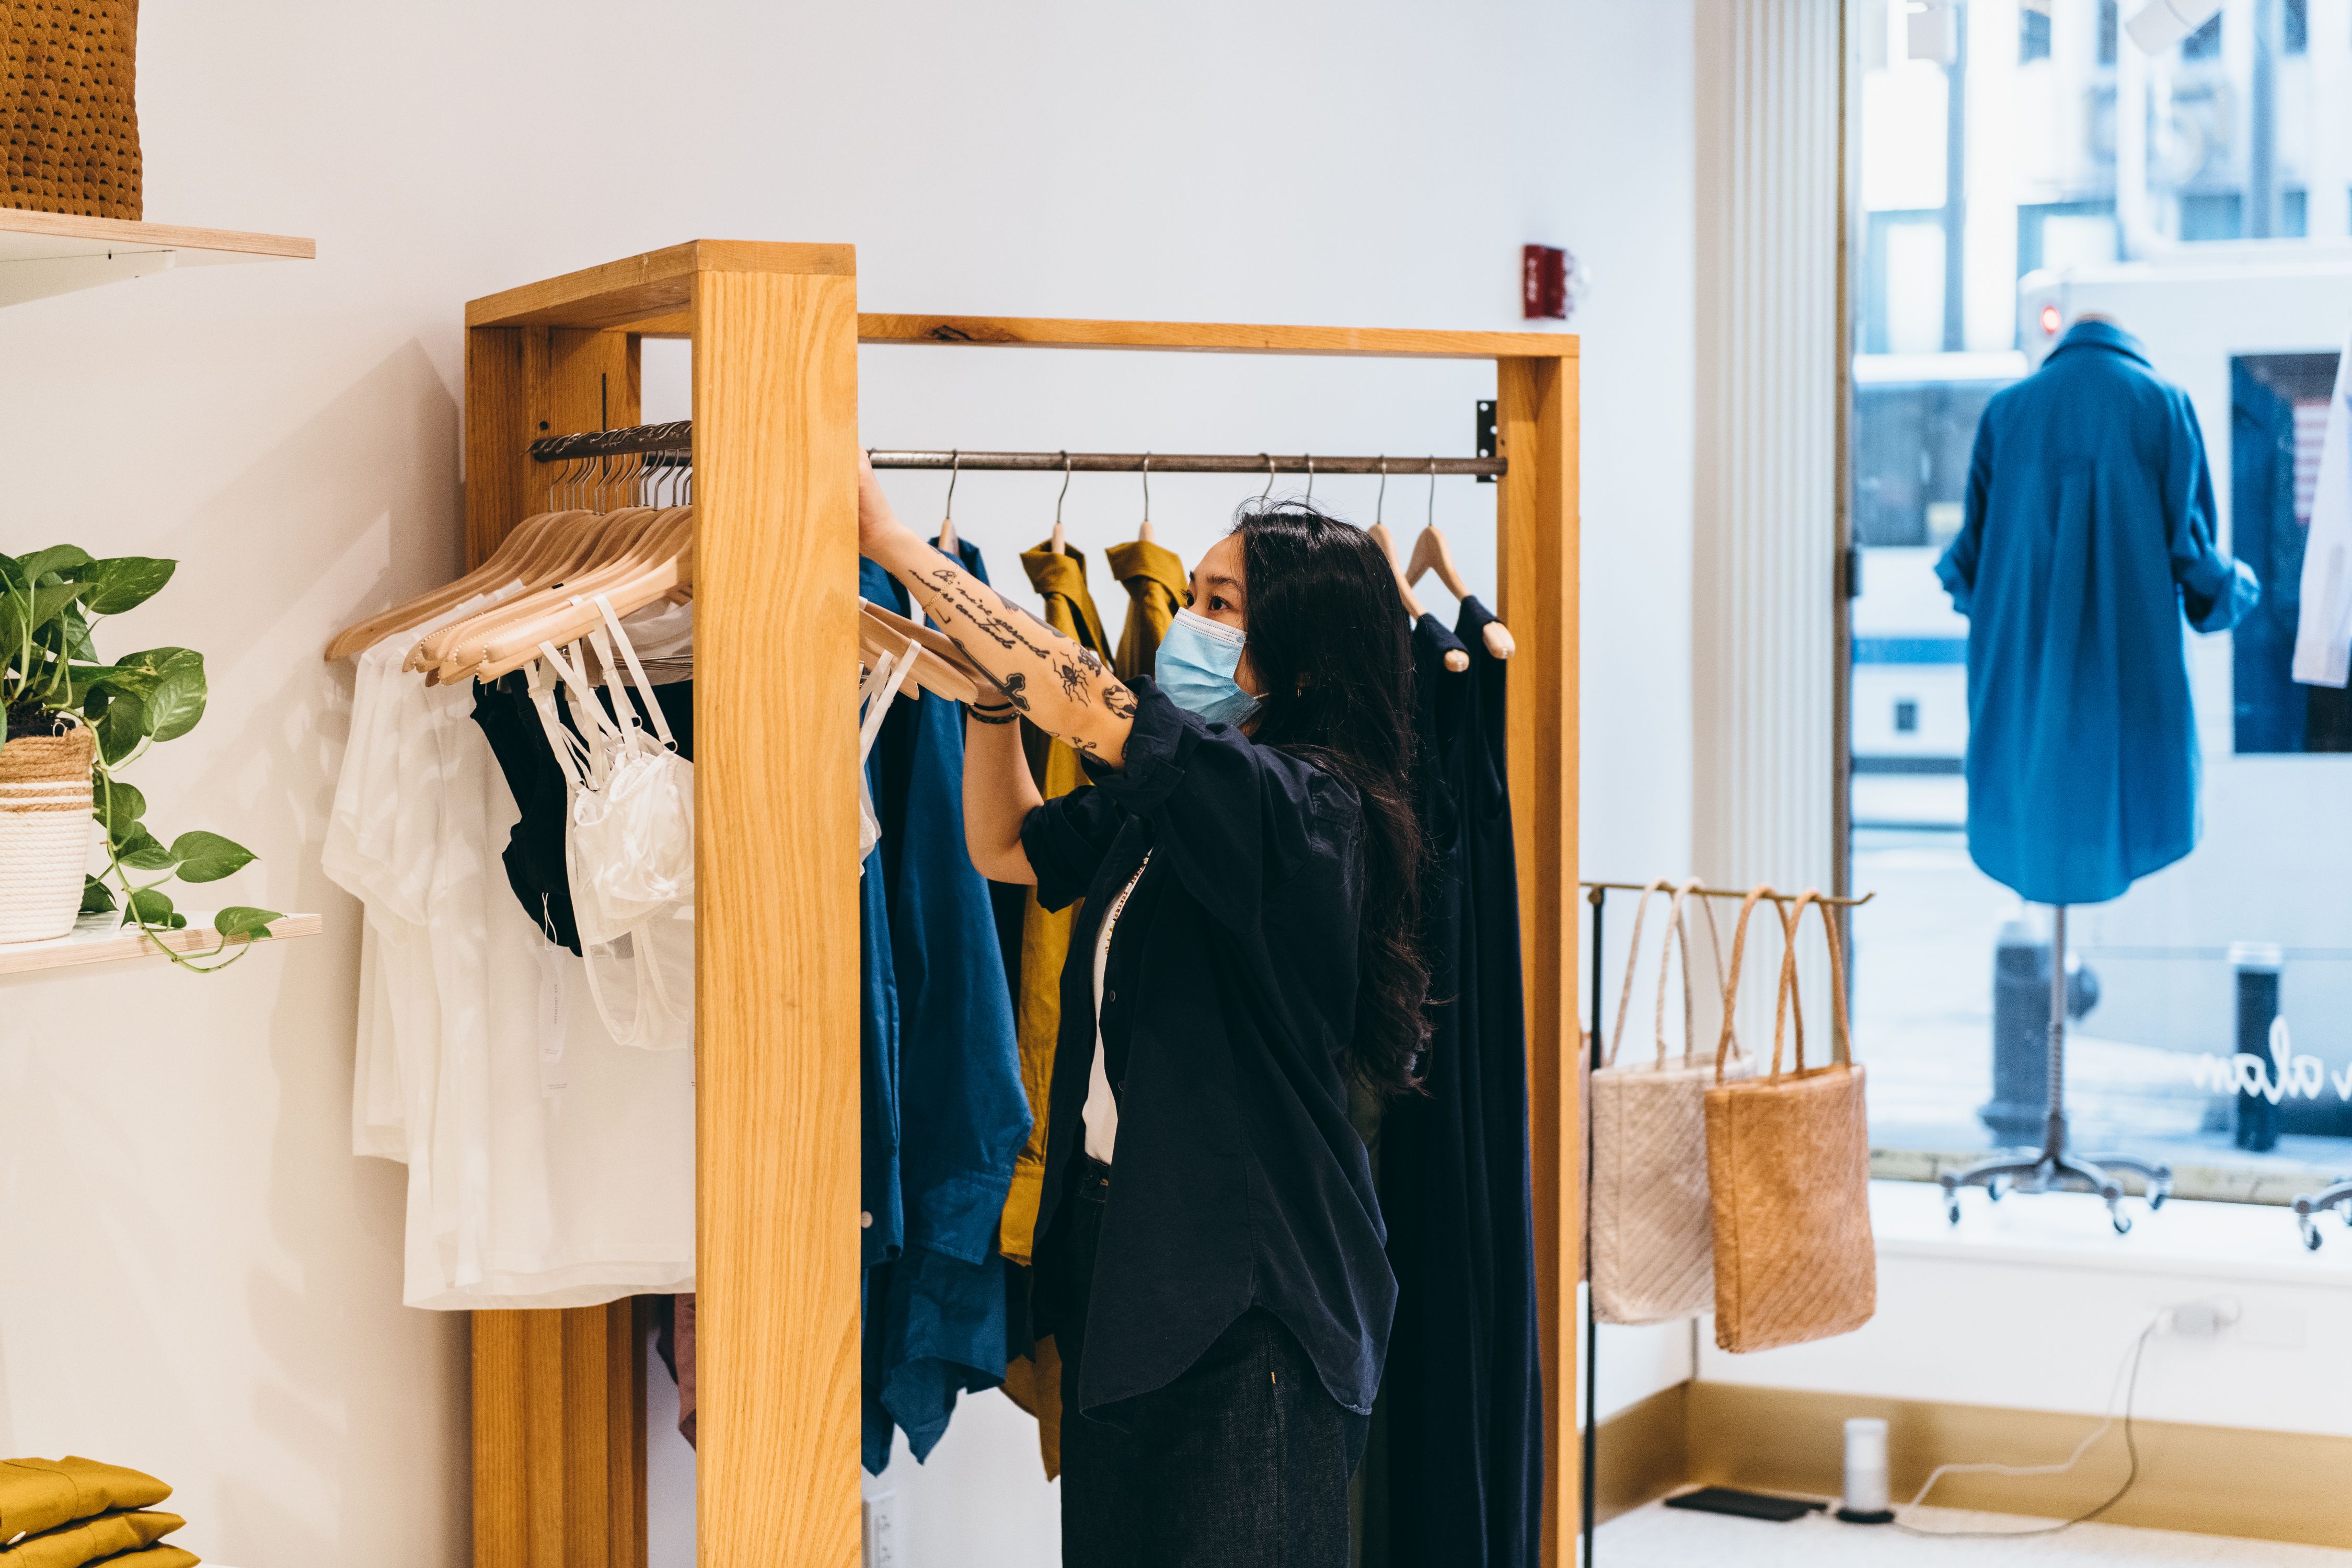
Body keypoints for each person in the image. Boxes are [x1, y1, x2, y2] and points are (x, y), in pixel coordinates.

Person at [858, 452, 1427, 1567]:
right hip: (1134, 1271)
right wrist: (988, 697)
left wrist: (893, 545)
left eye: (1221, 606)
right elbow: (1006, 845)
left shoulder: (1305, 812)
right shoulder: (1190, 792)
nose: (1187, 626)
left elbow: (1088, 695)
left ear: (1302, 659)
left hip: (1253, 1303)